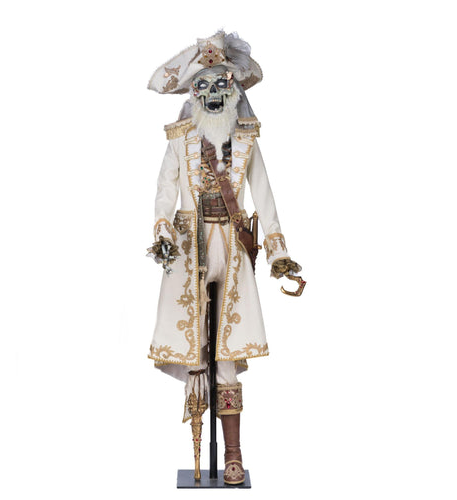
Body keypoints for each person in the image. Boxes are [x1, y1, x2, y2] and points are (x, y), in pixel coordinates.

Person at [147, 31, 302, 485]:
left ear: (232, 88)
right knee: (195, 348)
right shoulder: (180, 138)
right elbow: (165, 188)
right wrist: (162, 230)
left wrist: (277, 251)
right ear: (194, 93)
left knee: (228, 353)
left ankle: (232, 453)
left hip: (233, 247)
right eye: (205, 85)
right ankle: (196, 446)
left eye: (221, 84)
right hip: (189, 247)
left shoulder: (247, 139)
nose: (213, 93)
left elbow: (264, 194)